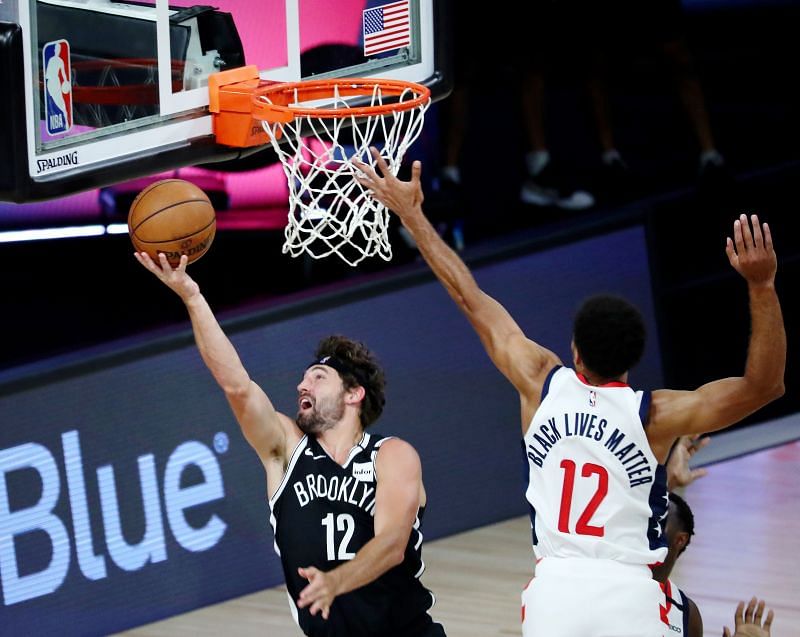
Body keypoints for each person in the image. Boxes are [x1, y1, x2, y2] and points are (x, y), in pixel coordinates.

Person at [353, 148, 785, 637]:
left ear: (575, 352)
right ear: (632, 361)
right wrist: (762, 285)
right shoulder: (656, 415)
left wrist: (412, 214)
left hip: (552, 597)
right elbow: (765, 386)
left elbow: (468, 296)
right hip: (628, 597)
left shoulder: (539, 380)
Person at [133, 251, 446, 637]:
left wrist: (336, 582)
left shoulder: (392, 455)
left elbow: (392, 545)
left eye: (318, 377)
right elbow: (236, 385)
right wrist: (192, 297)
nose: (302, 385)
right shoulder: (285, 452)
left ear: (353, 394)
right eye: (303, 379)